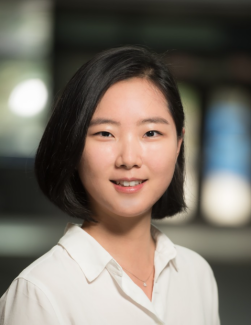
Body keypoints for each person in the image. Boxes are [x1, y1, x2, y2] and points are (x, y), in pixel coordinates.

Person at [0, 46, 220, 324]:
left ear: (178, 143)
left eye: (151, 133)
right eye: (105, 133)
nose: (129, 159)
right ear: (74, 147)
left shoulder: (196, 275)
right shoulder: (40, 293)